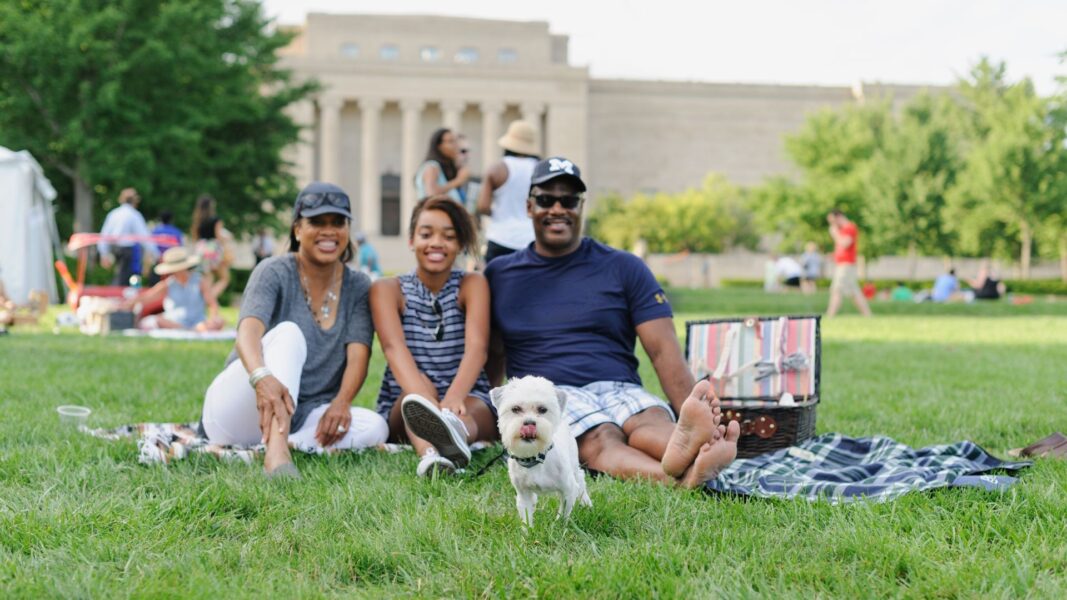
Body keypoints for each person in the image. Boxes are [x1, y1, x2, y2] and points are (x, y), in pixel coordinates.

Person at [485, 156, 740, 489]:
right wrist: (496, 421)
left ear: (581, 206)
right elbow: (491, 354)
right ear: (529, 206)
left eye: (570, 200)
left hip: (620, 386)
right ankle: (679, 476)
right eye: (547, 200)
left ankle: (689, 443)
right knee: (601, 438)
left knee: (648, 422)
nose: (558, 208)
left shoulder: (624, 267)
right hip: (553, 395)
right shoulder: (500, 275)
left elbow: (664, 351)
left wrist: (688, 408)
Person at [200, 182, 388, 477]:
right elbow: (247, 333)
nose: (329, 231)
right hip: (240, 406)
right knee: (289, 333)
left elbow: (359, 355)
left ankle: (276, 447)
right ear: (297, 229)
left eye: (338, 222)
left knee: (375, 426)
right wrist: (263, 379)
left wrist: (341, 403)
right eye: (317, 222)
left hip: (302, 415)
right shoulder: (273, 271)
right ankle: (275, 454)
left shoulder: (359, 285)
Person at [371, 196, 498, 476]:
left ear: (461, 244)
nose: (437, 243)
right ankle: (430, 455)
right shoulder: (387, 289)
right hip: (408, 397)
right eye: (426, 234)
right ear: (411, 240)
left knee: (469, 413)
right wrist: (426, 402)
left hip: (465, 393)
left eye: (449, 236)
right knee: (417, 395)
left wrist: (453, 400)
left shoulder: (472, 284)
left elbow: (477, 349)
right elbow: (394, 349)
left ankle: (455, 437)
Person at [476, 120, 540, 263]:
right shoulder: (539, 170)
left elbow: (482, 206)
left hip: (500, 237)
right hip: (531, 238)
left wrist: (499, 212)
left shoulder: (497, 169)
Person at [122, 247, 224, 331]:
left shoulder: (199, 281)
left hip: (198, 322)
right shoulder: (168, 284)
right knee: (155, 320)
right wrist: (128, 304)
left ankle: (193, 330)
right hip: (173, 323)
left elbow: (212, 304)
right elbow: (147, 297)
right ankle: (190, 330)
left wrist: (213, 318)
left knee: (218, 322)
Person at [98, 188, 158, 286]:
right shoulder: (134, 215)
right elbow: (144, 236)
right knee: (124, 278)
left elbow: (104, 234)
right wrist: (156, 253)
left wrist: (103, 253)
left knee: (120, 274)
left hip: (114, 249)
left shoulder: (114, 214)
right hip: (127, 250)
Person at [825, 209, 872, 317]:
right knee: (855, 292)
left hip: (846, 265)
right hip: (843, 264)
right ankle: (868, 315)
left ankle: (830, 315)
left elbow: (845, 243)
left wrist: (834, 233)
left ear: (838, 217)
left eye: (832, 221)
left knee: (836, 289)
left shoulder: (849, 228)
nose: (832, 225)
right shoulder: (843, 230)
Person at [415, 128, 468, 205]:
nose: (456, 145)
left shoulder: (443, 169)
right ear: (439, 146)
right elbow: (432, 195)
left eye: (456, 141)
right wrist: (458, 181)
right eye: (451, 141)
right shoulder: (432, 167)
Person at [194, 216, 234, 299]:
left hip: (202, 252)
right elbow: (218, 235)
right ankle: (208, 298)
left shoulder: (202, 240)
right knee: (224, 279)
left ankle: (207, 298)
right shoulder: (216, 238)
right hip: (213, 251)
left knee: (208, 278)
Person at [147, 210, 184, 285]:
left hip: (158, 262)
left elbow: (150, 248)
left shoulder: (155, 231)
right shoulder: (176, 232)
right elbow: (180, 248)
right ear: (171, 219)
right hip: (172, 263)